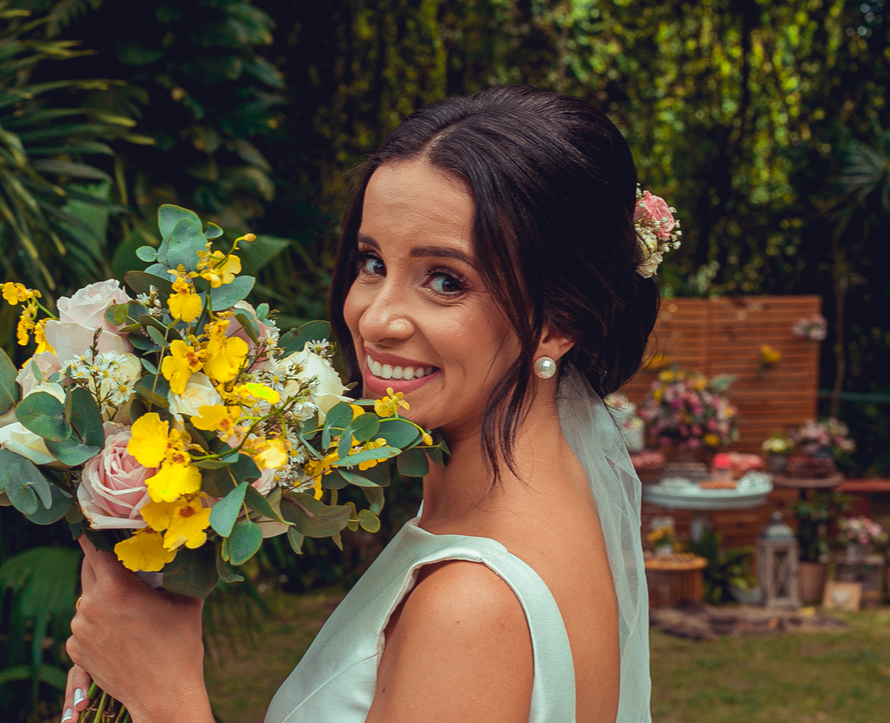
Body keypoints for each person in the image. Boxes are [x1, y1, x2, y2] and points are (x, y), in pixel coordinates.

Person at [61, 84, 659, 723]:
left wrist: (165, 695)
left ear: (557, 322)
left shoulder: (471, 606)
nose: (373, 318)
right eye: (372, 262)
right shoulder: (550, 509)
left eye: (445, 280)